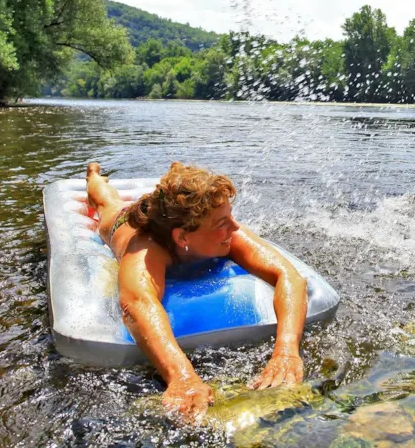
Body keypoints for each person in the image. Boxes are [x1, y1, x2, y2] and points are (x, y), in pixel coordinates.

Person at [85, 161, 308, 419]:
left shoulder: (228, 234)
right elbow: (136, 304)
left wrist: (286, 350)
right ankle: (93, 176)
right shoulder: (144, 251)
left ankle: (173, 173)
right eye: (222, 223)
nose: (235, 227)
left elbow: (290, 277)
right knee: (106, 202)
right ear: (182, 237)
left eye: (231, 216)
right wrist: (182, 376)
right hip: (120, 221)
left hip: (177, 226)